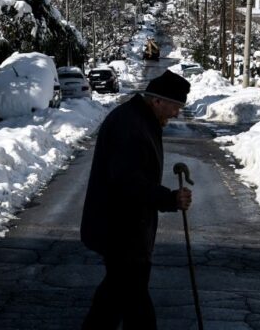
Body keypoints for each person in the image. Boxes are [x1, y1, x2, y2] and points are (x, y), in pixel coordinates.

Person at [80, 69, 192, 329]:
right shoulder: (130, 127)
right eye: (175, 107)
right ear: (157, 101)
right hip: (121, 231)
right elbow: (128, 182)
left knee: (117, 302)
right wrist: (170, 198)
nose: (176, 114)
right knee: (131, 303)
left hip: (127, 232)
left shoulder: (140, 120)